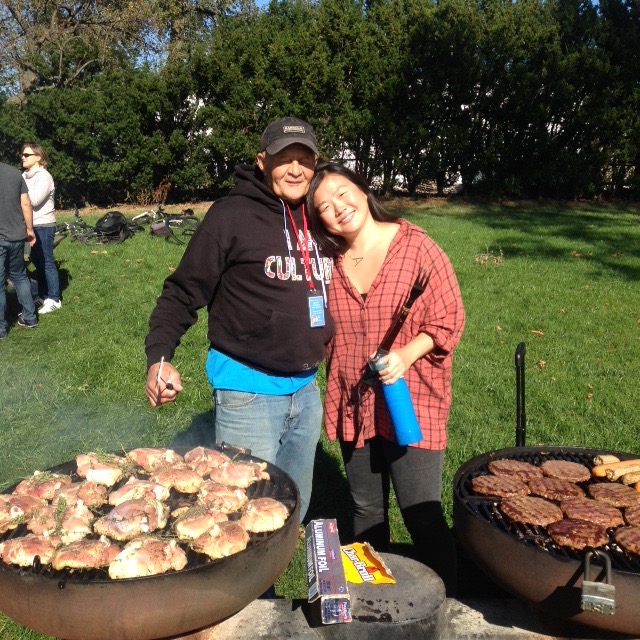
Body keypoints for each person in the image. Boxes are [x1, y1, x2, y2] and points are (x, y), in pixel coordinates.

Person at [144, 117, 333, 520]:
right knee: (243, 515)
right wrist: (159, 357)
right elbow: (182, 291)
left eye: (304, 159)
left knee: (292, 509)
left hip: (306, 390)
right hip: (248, 394)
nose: (295, 170)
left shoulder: (319, 214)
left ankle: (284, 560)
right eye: (284, 159)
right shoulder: (231, 215)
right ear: (262, 161)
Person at [306, 161, 465, 595]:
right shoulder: (327, 262)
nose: (338, 208)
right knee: (366, 512)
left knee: (421, 514)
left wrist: (407, 354)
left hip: (409, 399)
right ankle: (375, 604)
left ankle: (447, 606)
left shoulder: (416, 247)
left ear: (362, 188)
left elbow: (449, 316)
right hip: (353, 401)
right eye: (324, 207)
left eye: (342, 193)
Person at [21, 143, 61, 314]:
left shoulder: (44, 176)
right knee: (37, 262)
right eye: (22, 154)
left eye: (27, 155)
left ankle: (55, 298)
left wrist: (18, 194)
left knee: (47, 262)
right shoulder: (23, 176)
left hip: (43, 225)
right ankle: (43, 295)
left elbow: (35, 200)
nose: (23, 157)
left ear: (38, 157)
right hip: (29, 225)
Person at [0, 161, 38, 337]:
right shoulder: (15, 173)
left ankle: (1, 328)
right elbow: (26, 204)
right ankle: (30, 317)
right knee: (19, 275)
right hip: (17, 235)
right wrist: (29, 229)